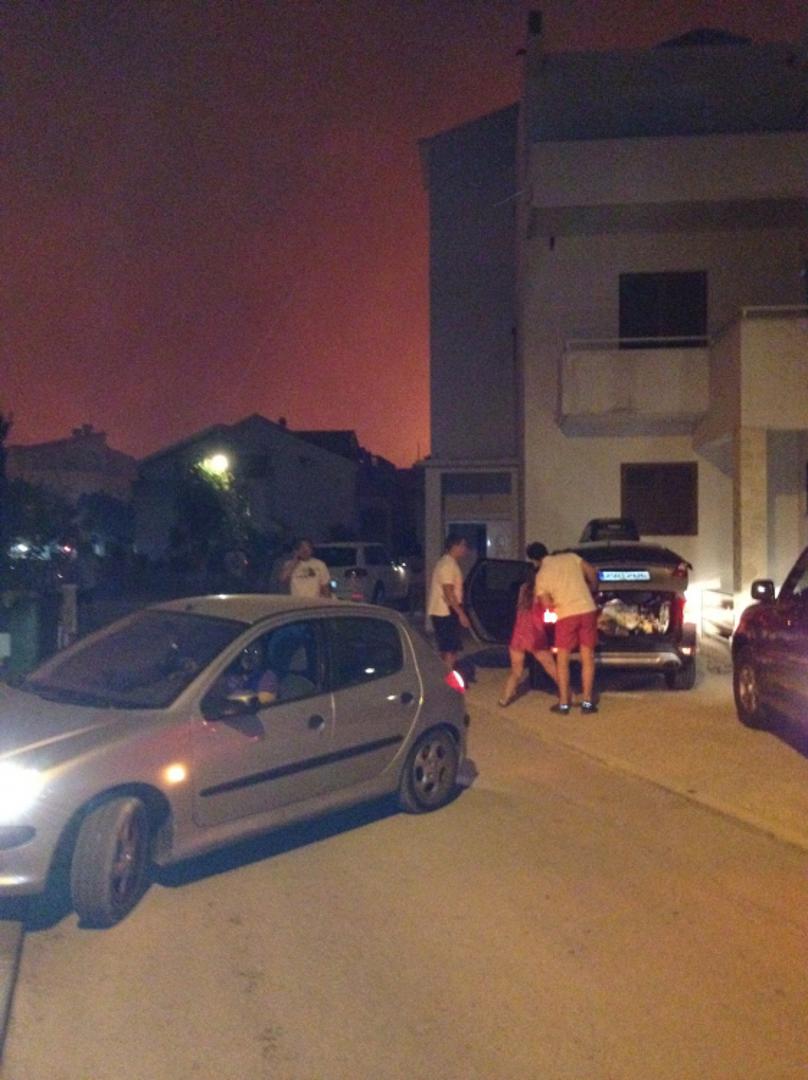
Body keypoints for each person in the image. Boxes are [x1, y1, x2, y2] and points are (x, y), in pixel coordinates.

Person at [533, 542, 599, 715]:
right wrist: (592, 588)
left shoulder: (541, 575)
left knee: (562, 660)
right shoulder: (571, 557)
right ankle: (587, 702)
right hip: (587, 609)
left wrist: (557, 601)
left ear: (535, 560)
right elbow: (591, 571)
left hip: (566, 615)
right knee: (587, 657)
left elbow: (546, 604)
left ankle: (563, 704)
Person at [498, 543, 558, 707]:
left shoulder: (523, 588)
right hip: (535, 634)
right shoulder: (541, 590)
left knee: (516, 672)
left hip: (519, 634)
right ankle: (570, 695)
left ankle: (504, 698)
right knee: (551, 668)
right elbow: (549, 606)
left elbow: (519, 607)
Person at [427, 533, 471, 670]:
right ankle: (448, 677)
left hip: (445, 610)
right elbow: (448, 592)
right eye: (463, 545)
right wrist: (461, 614)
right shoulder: (447, 565)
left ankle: (447, 675)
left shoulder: (447, 563)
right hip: (445, 611)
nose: (465, 549)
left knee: (448, 648)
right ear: (454, 546)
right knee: (449, 650)